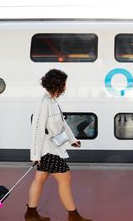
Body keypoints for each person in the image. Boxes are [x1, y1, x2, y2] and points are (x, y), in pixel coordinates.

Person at [26, 69, 91, 221]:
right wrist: (35, 155)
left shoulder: (53, 101)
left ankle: (31, 214)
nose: (66, 87)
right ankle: (73, 215)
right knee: (65, 178)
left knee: (39, 179)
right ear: (58, 84)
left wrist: (72, 139)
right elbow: (37, 130)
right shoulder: (44, 103)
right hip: (47, 150)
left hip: (52, 148)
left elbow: (62, 124)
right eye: (64, 84)